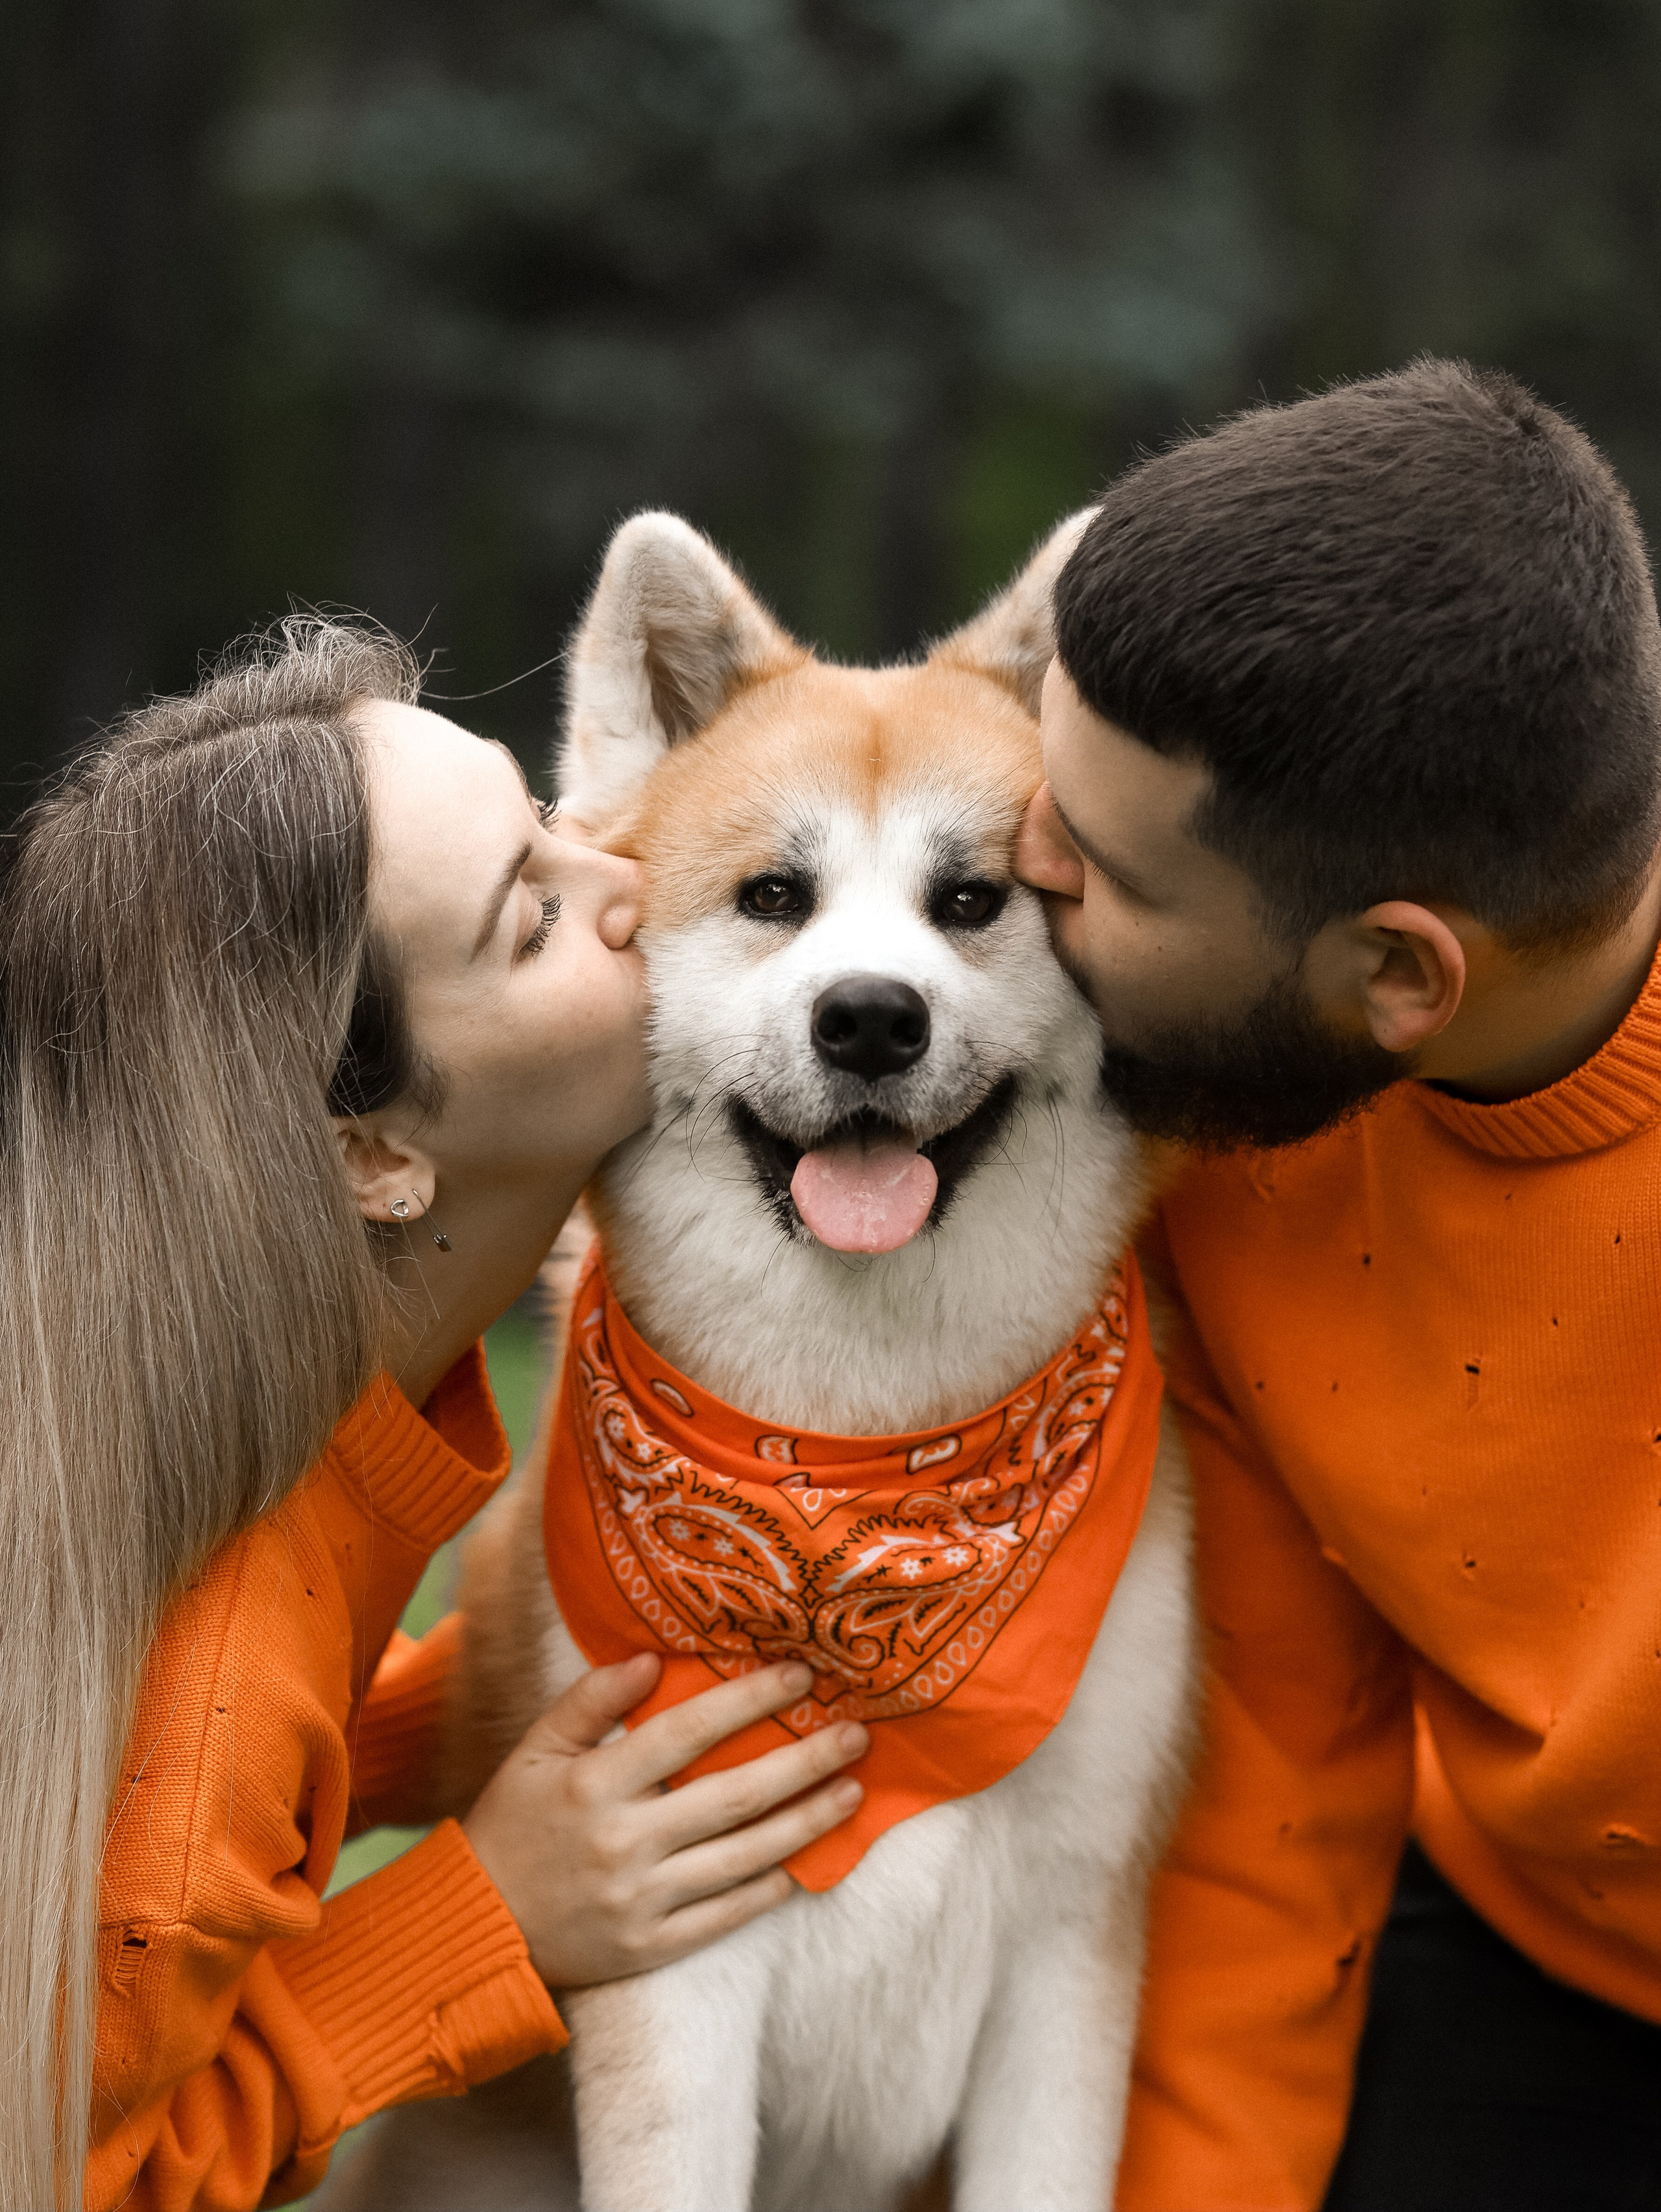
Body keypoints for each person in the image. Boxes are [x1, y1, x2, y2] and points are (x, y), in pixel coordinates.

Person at [0, 619, 867, 2212]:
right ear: (368, 1155)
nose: (626, 872)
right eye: (533, 915)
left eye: (545, 819)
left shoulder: (229, 1420)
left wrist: (459, 1708)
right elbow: (70, 2170)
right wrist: (491, 1916)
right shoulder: (215, 1709)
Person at [1013, 360, 1661, 2211]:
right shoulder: (1229, 1124)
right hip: (1512, 1944)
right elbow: (1277, 1782)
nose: (1026, 865)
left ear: (1399, 973)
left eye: (1106, 866)